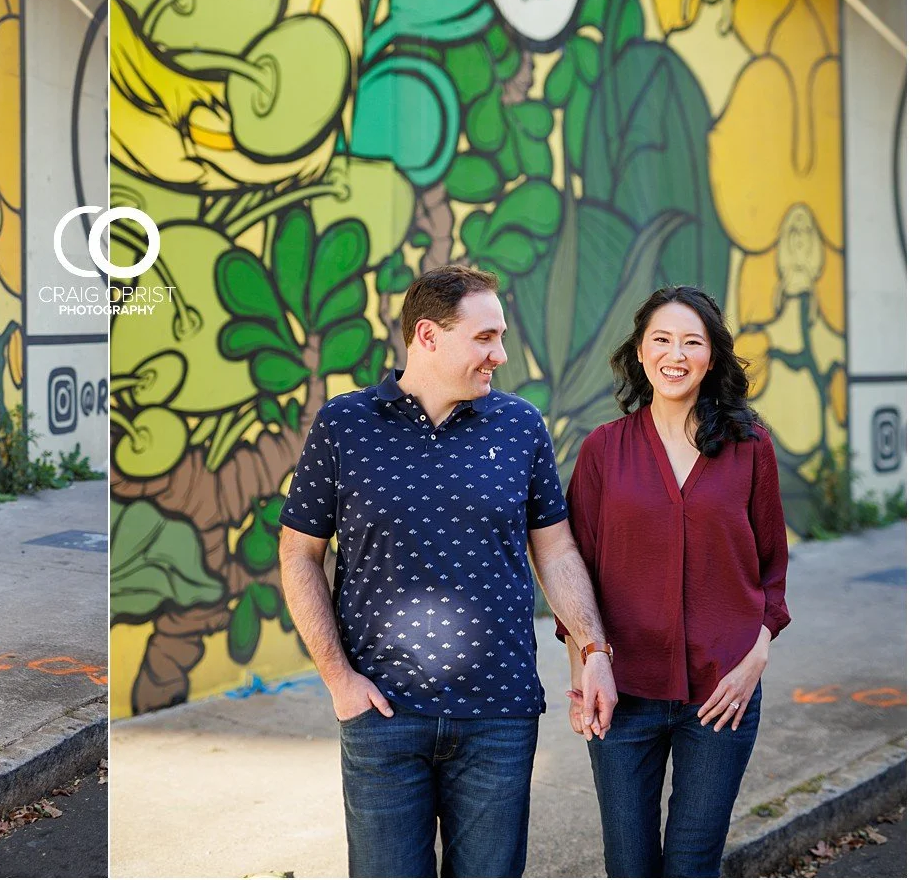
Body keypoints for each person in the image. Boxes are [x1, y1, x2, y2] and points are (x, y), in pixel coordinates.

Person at [279, 264, 617, 878]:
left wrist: (593, 647)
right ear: (428, 337)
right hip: (383, 714)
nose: (501, 354)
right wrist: (338, 680)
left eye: (501, 336)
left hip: (499, 718)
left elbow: (558, 551)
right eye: (485, 337)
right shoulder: (344, 425)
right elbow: (299, 552)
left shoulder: (520, 425)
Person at [559, 285, 789, 877]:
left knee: (692, 865)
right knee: (628, 866)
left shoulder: (749, 446)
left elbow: (771, 569)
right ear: (640, 351)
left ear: (712, 356)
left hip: (722, 693)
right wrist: (583, 671)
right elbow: (572, 570)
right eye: (661, 339)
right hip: (623, 690)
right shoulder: (603, 451)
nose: (676, 354)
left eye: (693, 341)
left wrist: (756, 657)